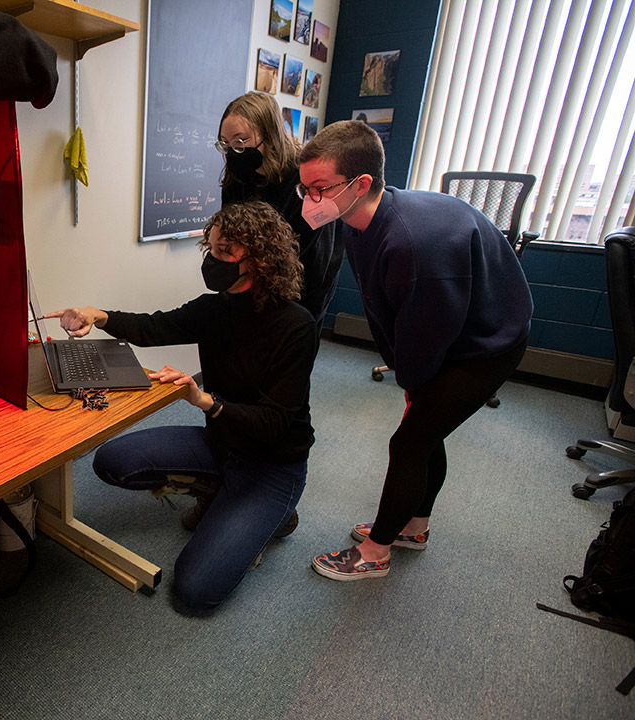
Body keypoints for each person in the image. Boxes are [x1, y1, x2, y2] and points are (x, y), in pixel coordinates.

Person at [45, 201, 316, 612]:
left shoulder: (295, 324)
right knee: (113, 461)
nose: (213, 260)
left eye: (226, 251)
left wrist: (204, 400)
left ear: (260, 257)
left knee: (195, 592)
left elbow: (275, 423)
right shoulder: (215, 308)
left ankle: (275, 515)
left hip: (272, 464)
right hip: (222, 444)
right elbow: (155, 326)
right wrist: (97, 314)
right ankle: (219, 491)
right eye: (211, 249)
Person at [297, 120, 533, 581]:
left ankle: (376, 551)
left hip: (487, 343)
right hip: (451, 324)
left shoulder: (412, 244)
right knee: (426, 433)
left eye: (319, 188)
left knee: (409, 442)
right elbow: (388, 309)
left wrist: (413, 381)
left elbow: (427, 334)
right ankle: (414, 526)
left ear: (361, 183)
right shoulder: (359, 220)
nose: (309, 200)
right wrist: (411, 375)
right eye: (304, 188)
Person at [216, 92, 341, 332]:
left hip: (303, 292)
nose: (232, 151)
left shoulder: (308, 182)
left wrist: (293, 321)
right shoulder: (237, 178)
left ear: (269, 135)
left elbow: (316, 265)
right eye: (225, 143)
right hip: (251, 288)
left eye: (240, 142)